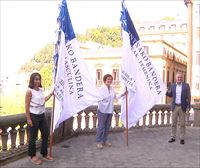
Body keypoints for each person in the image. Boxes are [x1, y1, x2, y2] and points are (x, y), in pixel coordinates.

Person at [25, 72, 54, 165]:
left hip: (42, 115)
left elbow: (43, 100)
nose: (38, 81)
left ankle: (44, 153)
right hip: (33, 116)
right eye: (36, 79)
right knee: (33, 137)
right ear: (32, 80)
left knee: (45, 134)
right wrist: (28, 118)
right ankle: (32, 155)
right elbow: (26, 105)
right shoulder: (29, 91)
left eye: (39, 79)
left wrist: (51, 94)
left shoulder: (41, 90)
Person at [96, 74, 126, 149]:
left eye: (111, 79)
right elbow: (98, 99)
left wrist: (123, 94)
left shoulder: (112, 89)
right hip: (102, 110)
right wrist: (104, 103)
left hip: (110, 110)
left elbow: (115, 97)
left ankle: (105, 140)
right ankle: (99, 142)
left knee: (107, 126)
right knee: (101, 126)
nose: (110, 81)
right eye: (108, 79)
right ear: (105, 80)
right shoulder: (101, 89)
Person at [166, 72, 191, 144]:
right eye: (178, 77)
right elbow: (170, 95)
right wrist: (166, 90)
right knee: (173, 123)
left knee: (182, 124)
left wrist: (188, 106)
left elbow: (188, 96)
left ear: (182, 78)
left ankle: (182, 138)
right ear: (176, 78)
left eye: (180, 77)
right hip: (175, 107)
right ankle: (172, 137)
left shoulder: (186, 86)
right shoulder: (173, 86)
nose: (179, 78)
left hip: (182, 106)